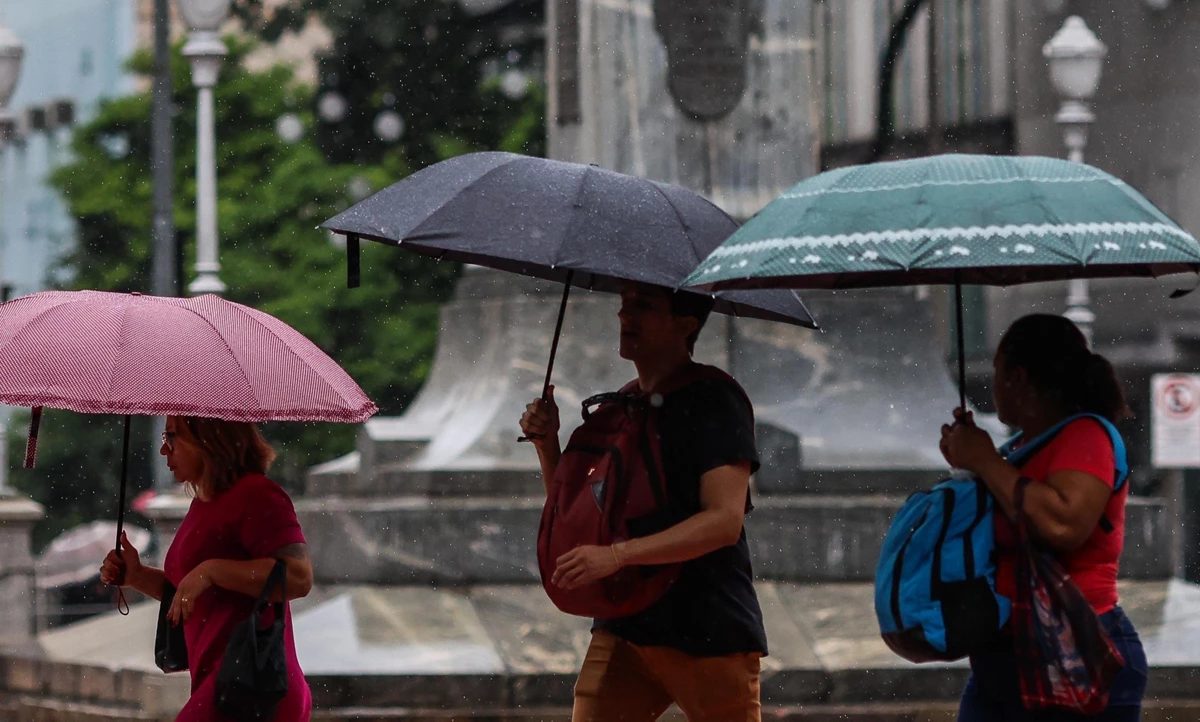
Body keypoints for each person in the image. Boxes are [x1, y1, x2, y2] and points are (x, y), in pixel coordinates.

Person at [520, 282, 766, 722]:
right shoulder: (621, 406)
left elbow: (723, 521)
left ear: (685, 325)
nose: (624, 316)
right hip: (625, 622)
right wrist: (546, 444)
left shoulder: (714, 400)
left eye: (643, 306)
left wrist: (617, 556)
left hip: (705, 626)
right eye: (623, 305)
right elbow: (581, 514)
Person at [940, 314, 1148, 721]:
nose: (993, 385)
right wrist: (970, 461)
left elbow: (1063, 525)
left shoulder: (1087, 435)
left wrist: (984, 460)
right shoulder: (1021, 447)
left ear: (1017, 377)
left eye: (998, 372)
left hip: (1076, 653)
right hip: (1009, 656)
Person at [100, 416, 314, 721]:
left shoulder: (256, 494)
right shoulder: (203, 503)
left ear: (210, 439)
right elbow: (191, 594)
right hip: (226, 682)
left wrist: (212, 570)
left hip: (256, 685)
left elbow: (298, 577)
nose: (164, 451)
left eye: (172, 437)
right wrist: (136, 576)